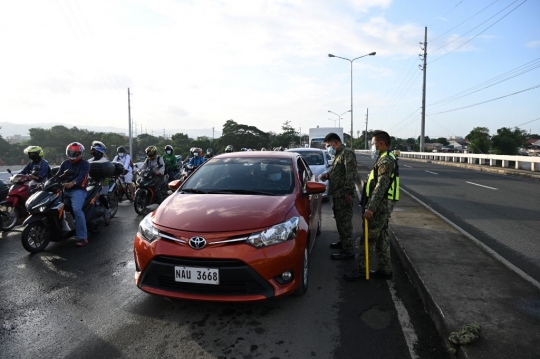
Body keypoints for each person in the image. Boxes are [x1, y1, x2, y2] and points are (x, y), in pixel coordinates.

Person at [344, 131, 400, 281]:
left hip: (380, 206)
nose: (372, 147)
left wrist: (371, 208)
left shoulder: (386, 161)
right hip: (383, 205)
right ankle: (385, 269)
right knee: (382, 237)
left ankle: (363, 269)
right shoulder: (384, 158)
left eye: (373, 144)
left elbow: (381, 187)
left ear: (381, 144)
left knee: (368, 238)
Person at [319, 132, 358, 260]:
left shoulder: (347, 153)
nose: (328, 148)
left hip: (343, 194)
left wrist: (348, 192)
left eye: (328, 145)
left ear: (335, 142)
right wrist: (328, 174)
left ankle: (349, 251)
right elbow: (337, 171)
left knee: (345, 223)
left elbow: (350, 174)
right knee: (340, 221)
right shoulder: (338, 154)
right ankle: (343, 242)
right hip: (337, 194)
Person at [56, 142, 90, 247]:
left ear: (80, 153)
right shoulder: (65, 163)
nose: (72, 155)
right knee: (54, 207)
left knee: (77, 210)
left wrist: (72, 183)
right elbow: (58, 175)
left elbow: (81, 176)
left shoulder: (85, 164)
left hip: (78, 190)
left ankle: (82, 237)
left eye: (75, 153)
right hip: (64, 189)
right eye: (71, 152)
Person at [87, 141, 111, 224]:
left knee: (102, 197)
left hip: (103, 182)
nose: (93, 153)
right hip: (91, 182)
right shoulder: (89, 161)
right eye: (93, 151)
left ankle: (107, 216)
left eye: (95, 151)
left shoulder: (105, 160)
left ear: (100, 152)